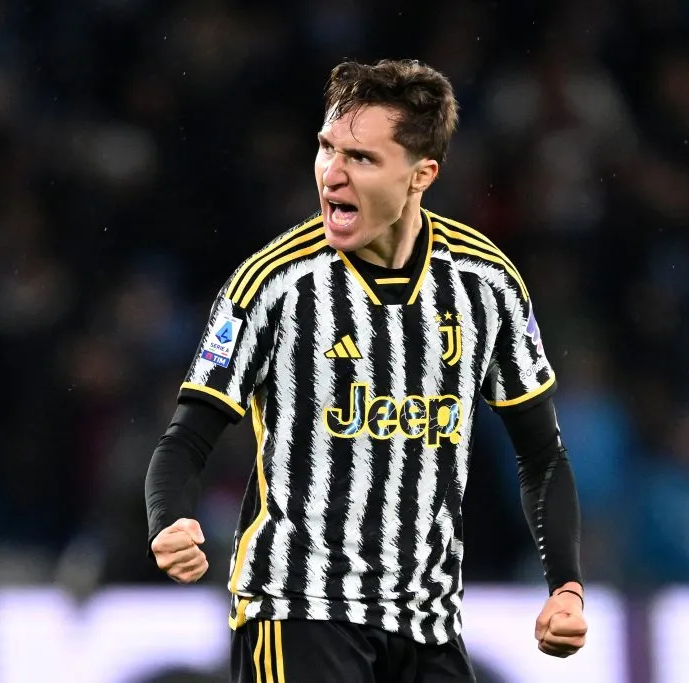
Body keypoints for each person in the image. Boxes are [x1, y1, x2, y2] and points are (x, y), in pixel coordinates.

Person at [145, 58, 587, 682]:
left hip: (428, 623)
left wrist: (566, 586)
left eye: (361, 157)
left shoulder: (487, 285)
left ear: (421, 175)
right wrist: (169, 519)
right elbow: (185, 439)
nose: (332, 173)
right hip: (299, 611)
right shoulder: (274, 283)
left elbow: (542, 456)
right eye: (326, 148)